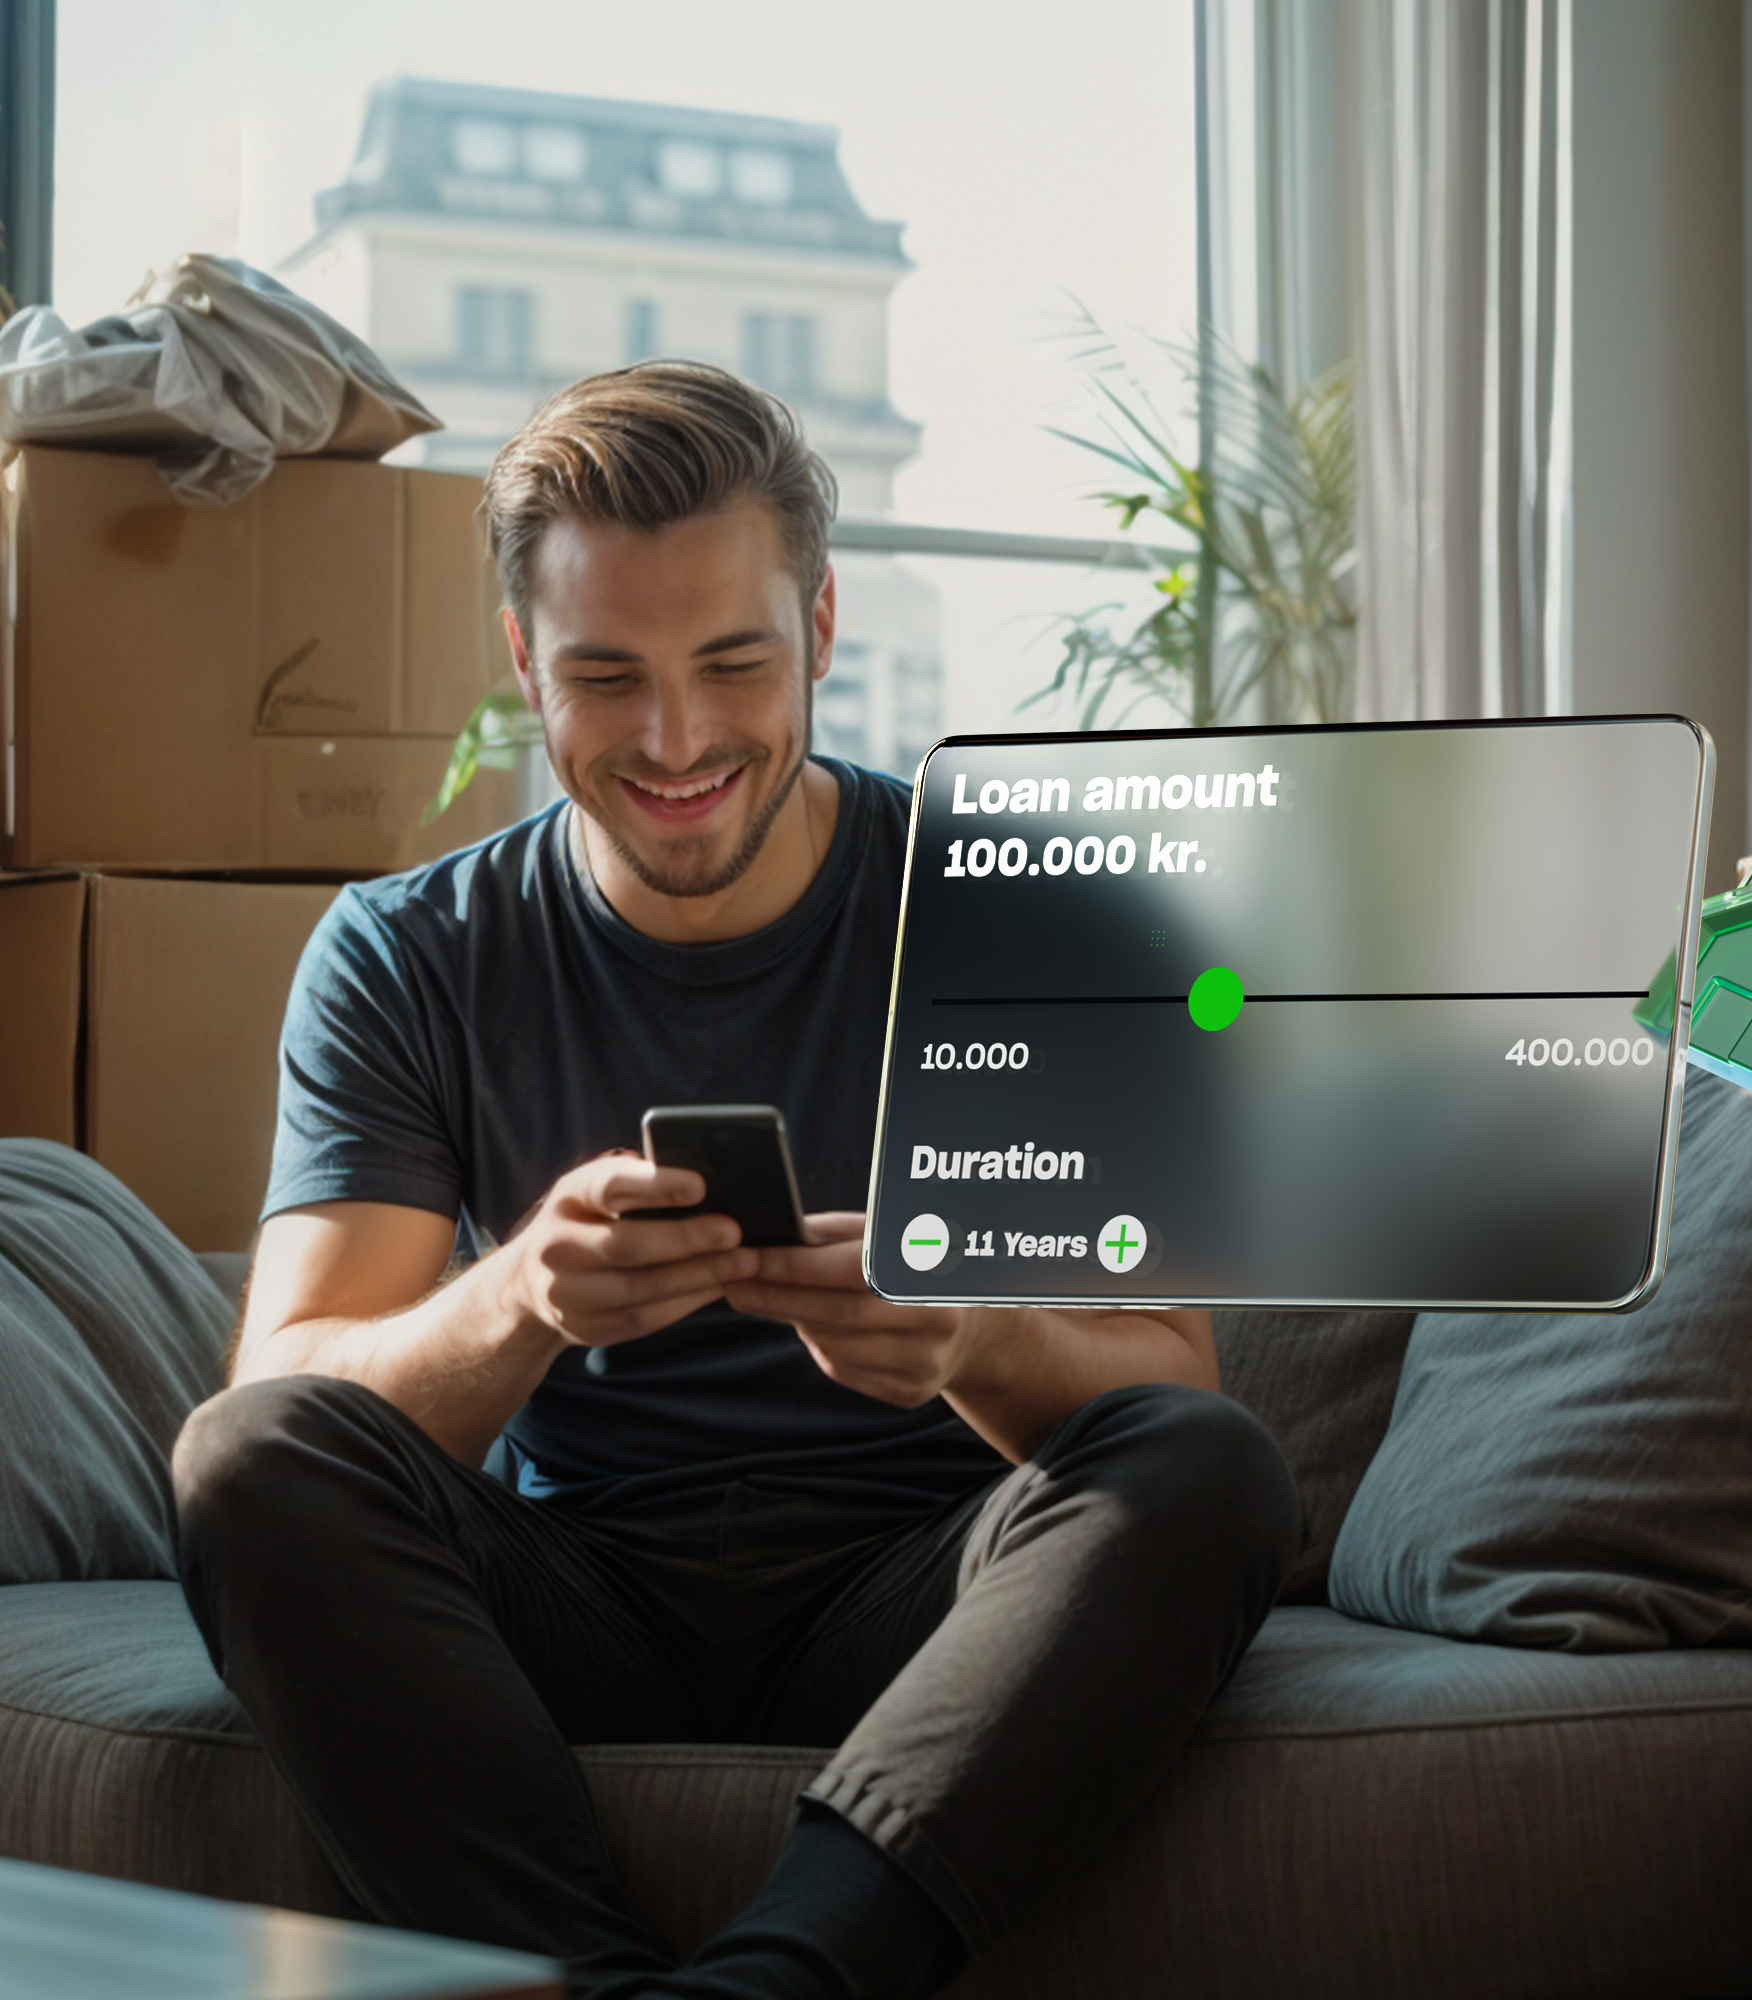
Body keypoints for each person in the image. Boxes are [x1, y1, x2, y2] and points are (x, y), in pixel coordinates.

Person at [170, 360, 1300, 2000]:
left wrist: (970, 1337)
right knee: (247, 1456)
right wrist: (519, 1302)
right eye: (606, 676)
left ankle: (775, 1983)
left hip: (923, 1597)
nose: (676, 739)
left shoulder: (1020, 914)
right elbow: (291, 1383)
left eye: (733, 663)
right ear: (522, 661)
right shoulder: (407, 953)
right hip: (574, 1602)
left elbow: (1164, 1378)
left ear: (824, 628)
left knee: (1210, 1462)